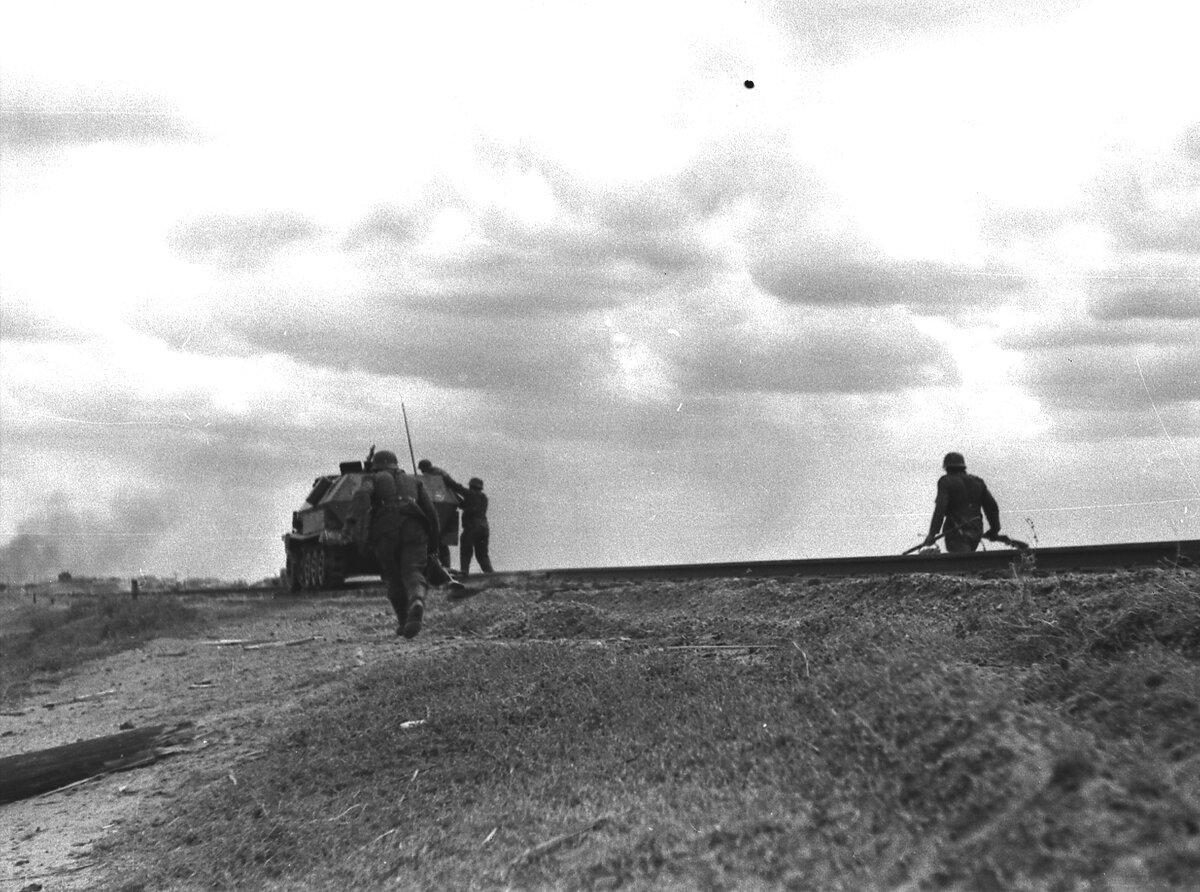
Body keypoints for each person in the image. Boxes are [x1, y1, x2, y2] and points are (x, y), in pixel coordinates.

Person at [368, 450, 440, 638]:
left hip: (386, 529)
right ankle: (417, 600)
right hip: (414, 526)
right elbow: (432, 514)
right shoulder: (414, 481)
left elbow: (361, 500)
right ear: (395, 464)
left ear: (376, 466)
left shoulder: (375, 478)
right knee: (413, 571)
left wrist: (356, 528)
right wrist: (433, 544)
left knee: (393, 576)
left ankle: (403, 620)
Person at [923, 452, 1002, 553]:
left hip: (955, 532)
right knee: (968, 561)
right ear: (963, 467)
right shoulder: (977, 482)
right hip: (975, 531)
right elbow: (992, 507)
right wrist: (994, 530)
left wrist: (931, 534)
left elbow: (940, 509)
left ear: (946, 468)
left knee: (962, 564)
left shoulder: (945, 481)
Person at [416, 458, 466, 571]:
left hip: (436, 512)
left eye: (422, 469)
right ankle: (445, 567)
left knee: (438, 545)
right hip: (443, 513)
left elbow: (446, 488)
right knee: (442, 544)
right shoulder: (436, 474)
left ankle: (441, 567)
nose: (422, 472)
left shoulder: (435, 474)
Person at [459, 476, 494, 576]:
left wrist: (444, 478)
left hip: (472, 527)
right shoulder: (483, 497)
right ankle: (491, 576)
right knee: (482, 555)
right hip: (484, 528)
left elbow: (456, 487)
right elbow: (468, 506)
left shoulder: (470, 494)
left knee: (465, 551)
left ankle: (464, 574)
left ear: (471, 486)